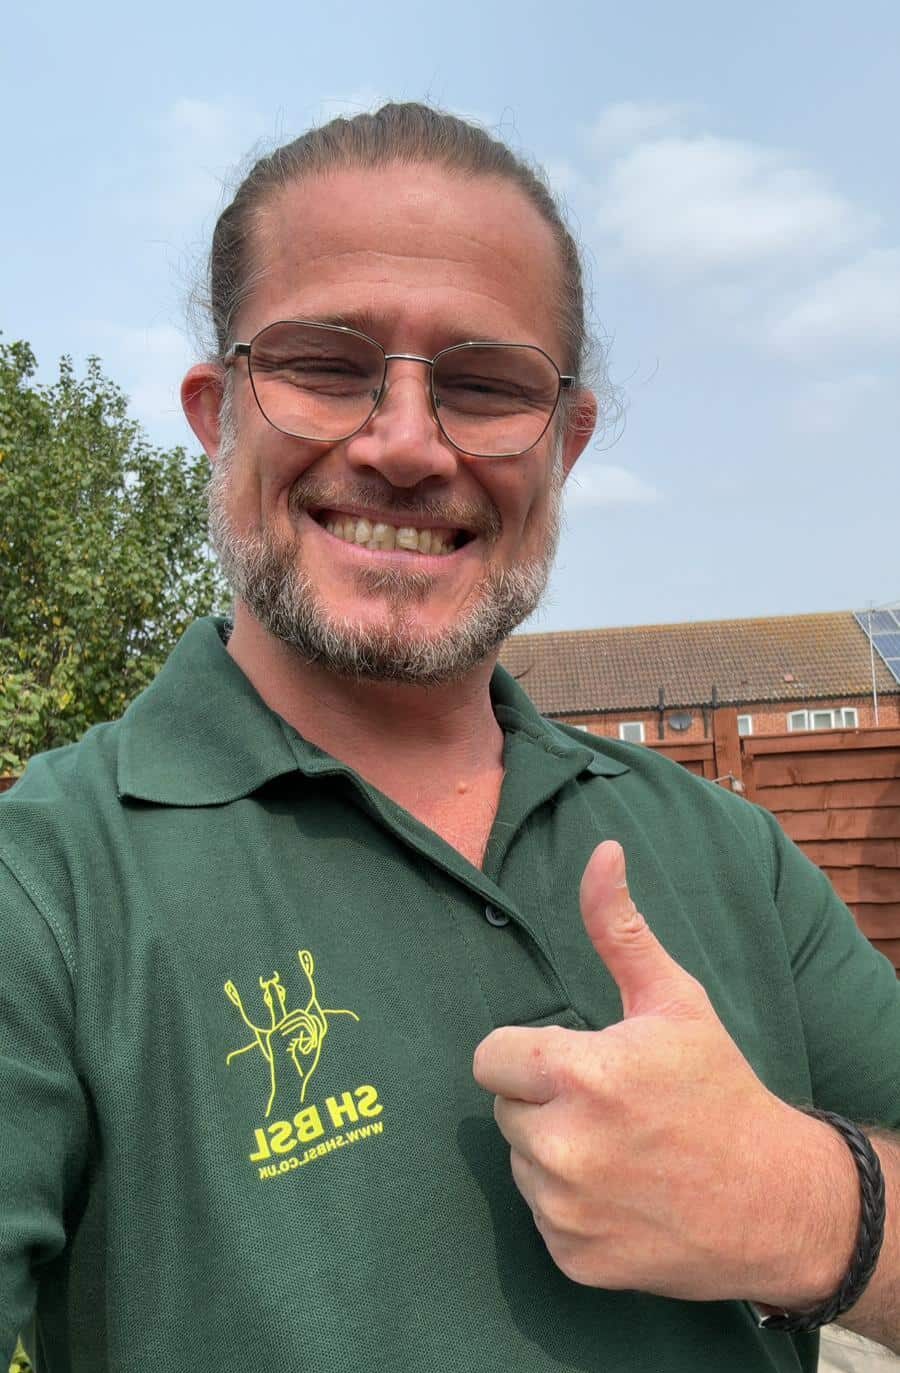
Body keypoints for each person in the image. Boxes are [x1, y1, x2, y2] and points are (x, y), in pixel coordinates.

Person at [1, 102, 898, 1373]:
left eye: (485, 385)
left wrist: (807, 1205)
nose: (410, 443)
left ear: (567, 444)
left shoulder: (725, 851)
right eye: (324, 363)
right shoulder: (46, 889)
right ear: (219, 411)